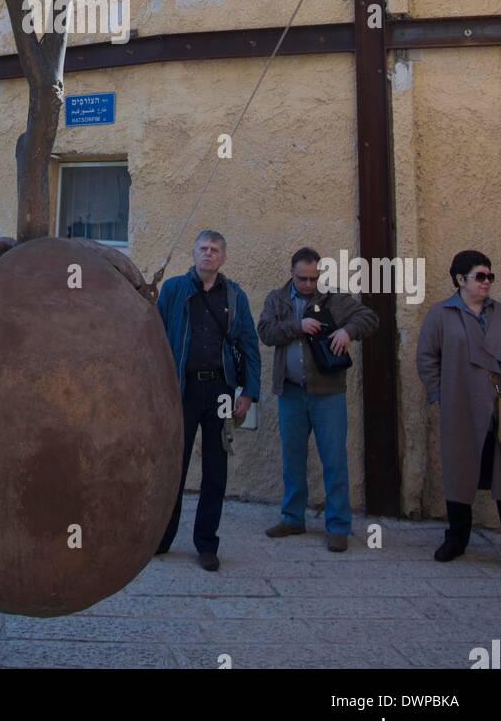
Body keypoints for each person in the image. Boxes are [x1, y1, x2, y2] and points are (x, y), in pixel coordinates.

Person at [258, 246, 379, 552]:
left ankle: (338, 526)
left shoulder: (334, 300)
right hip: (291, 392)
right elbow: (266, 332)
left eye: (314, 278)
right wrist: (297, 326)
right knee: (293, 460)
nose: (309, 284)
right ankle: (292, 518)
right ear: (292, 273)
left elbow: (369, 318)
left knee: (334, 460)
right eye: (303, 278)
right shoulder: (277, 299)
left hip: (328, 394)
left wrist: (347, 332)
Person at [154, 230, 260, 570]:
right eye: (203, 248)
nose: (208, 254)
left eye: (215, 250)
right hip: (181, 390)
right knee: (174, 467)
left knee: (217, 469)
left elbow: (249, 345)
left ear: (223, 257)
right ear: (194, 253)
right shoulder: (173, 290)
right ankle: (161, 538)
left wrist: (249, 393)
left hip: (222, 390)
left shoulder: (235, 295)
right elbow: (154, 338)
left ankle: (206, 544)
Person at [416, 249, 501, 564]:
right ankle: (457, 539)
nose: (486, 282)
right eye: (479, 276)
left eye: (489, 276)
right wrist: (439, 396)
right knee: (459, 471)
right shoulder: (441, 314)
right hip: (459, 406)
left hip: (500, 405)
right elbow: (427, 358)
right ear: (460, 279)